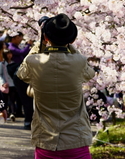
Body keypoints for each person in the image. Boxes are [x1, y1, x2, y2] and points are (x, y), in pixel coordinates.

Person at [17, 13, 95, 159]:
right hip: (76, 139)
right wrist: (71, 46)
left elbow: (21, 74)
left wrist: (39, 44)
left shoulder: (33, 62)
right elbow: (90, 73)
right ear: (72, 39)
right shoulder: (79, 61)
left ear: (46, 37)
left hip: (46, 141)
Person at [7, 32, 34, 129]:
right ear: (13, 38)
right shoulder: (11, 47)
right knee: (26, 99)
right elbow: (22, 53)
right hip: (19, 76)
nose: (20, 40)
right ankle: (28, 121)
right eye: (19, 37)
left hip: (23, 75)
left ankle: (29, 120)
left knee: (27, 99)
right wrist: (29, 45)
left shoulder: (17, 46)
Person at [0, 49, 17, 122]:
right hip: (5, 85)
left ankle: (12, 113)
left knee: (12, 100)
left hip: (12, 84)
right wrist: (2, 83)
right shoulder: (1, 64)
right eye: (7, 54)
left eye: (10, 54)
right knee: (4, 100)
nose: (9, 55)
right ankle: (5, 113)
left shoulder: (14, 63)